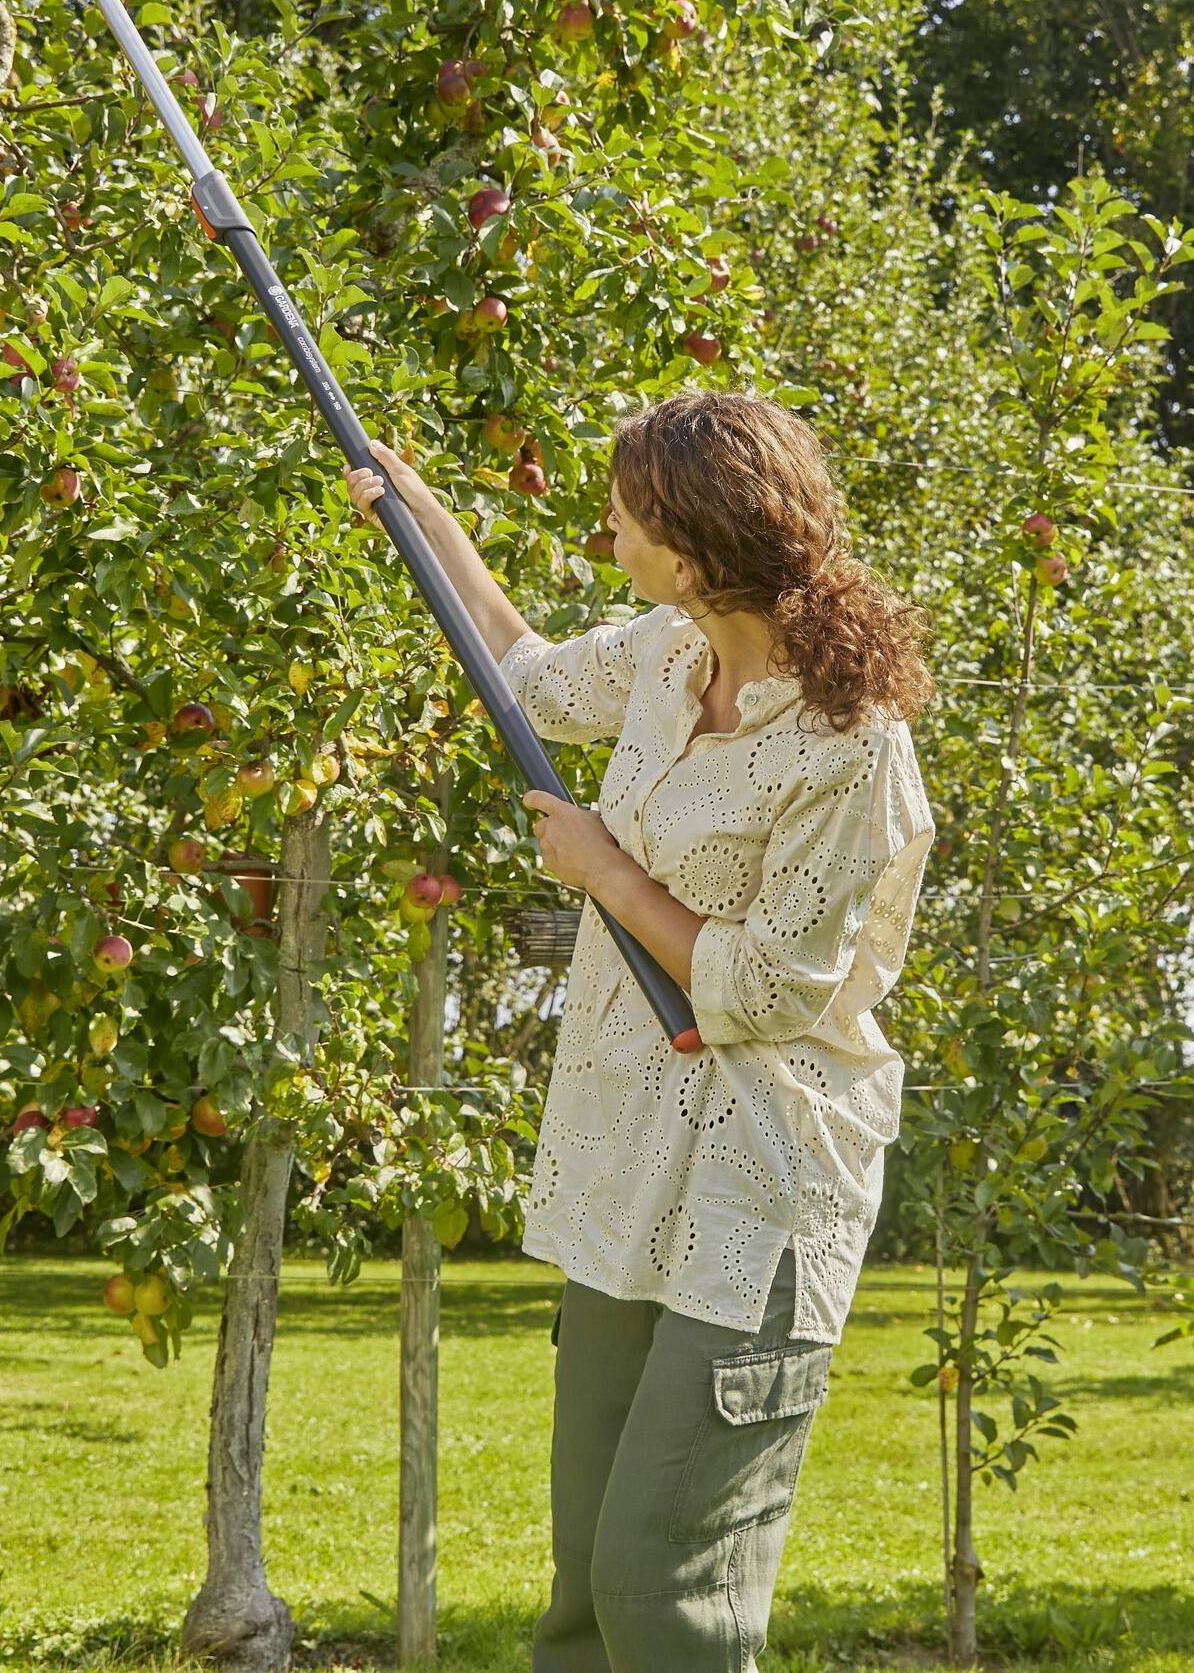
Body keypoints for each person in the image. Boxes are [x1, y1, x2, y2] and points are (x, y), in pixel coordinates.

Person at [348, 390, 935, 1673]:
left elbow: (776, 987)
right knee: (581, 1592)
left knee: (664, 1589)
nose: (605, 534)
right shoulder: (666, 658)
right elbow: (523, 674)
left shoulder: (848, 749)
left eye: (623, 520)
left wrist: (608, 875)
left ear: (692, 553)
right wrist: (413, 503)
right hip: (628, 1168)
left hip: (760, 1186)